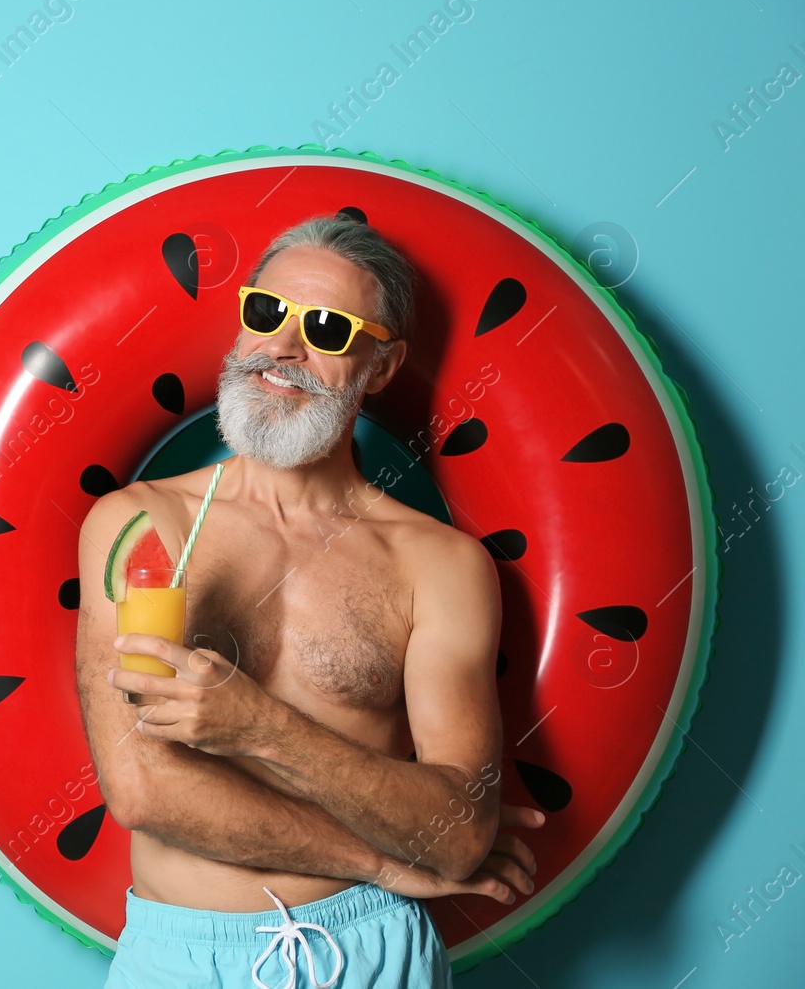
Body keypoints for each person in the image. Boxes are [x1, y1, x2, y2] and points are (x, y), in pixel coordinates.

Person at [75, 213, 544, 988]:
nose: (283, 348)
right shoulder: (141, 526)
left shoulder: (441, 563)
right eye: (267, 311)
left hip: (371, 952)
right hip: (181, 956)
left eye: (327, 328)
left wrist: (258, 726)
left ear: (382, 366)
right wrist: (380, 858)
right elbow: (142, 787)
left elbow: (459, 835)